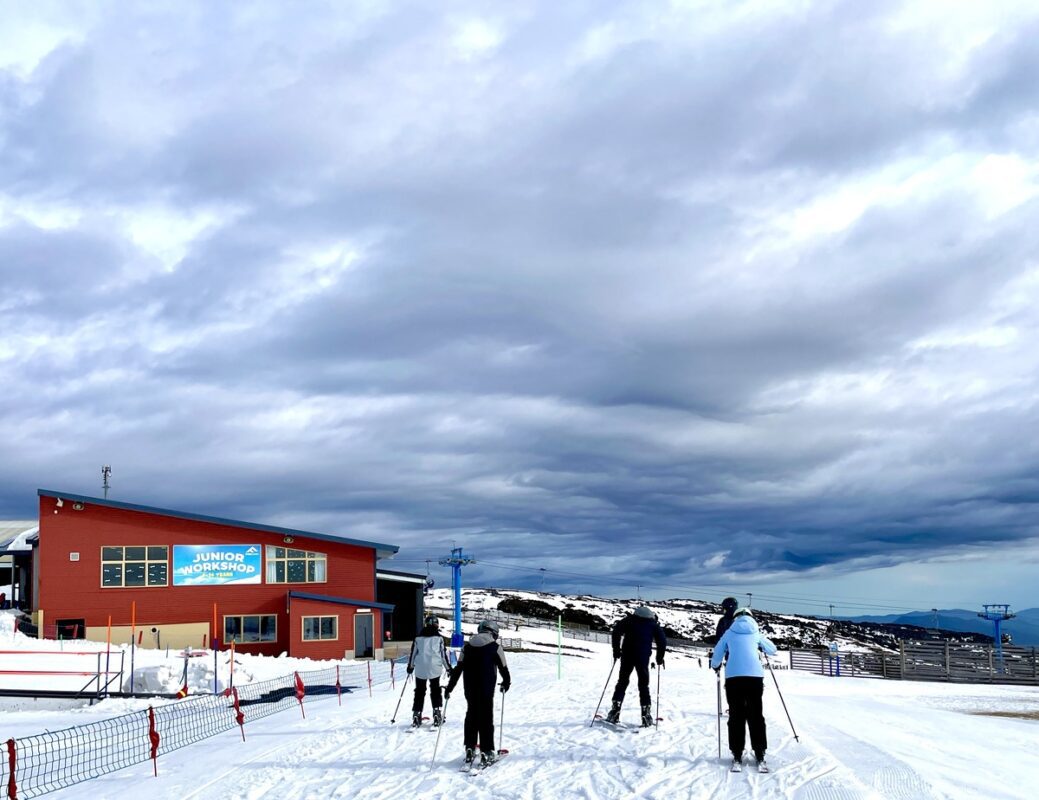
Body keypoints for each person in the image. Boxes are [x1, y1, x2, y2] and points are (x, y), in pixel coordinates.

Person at [710, 608, 778, 772]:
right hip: (755, 677)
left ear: (735, 618)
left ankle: (737, 752)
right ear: (750, 617)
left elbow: (717, 654)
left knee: (736, 714)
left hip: (734, 678)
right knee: (756, 714)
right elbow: (772, 649)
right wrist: (760, 647)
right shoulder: (756, 632)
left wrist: (715, 666)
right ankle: (760, 751)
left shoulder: (729, 632)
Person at [445, 618, 511, 767]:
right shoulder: (495, 647)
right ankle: (486, 751)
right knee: (486, 718)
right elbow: (503, 668)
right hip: (486, 689)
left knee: (471, 715)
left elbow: (458, 670)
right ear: (493, 632)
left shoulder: (467, 648)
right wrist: (506, 682)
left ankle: (469, 747)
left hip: (470, 689)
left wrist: (449, 688)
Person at [605, 606, 666, 727]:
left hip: (627, 655)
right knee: (643, 685)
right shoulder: (653, 624)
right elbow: (662, 641)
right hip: (643, 658)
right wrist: (659, 658)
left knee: (622, 681)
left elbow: (616, 632)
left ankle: (615, 711)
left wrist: (616, 650)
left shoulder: (629, 620)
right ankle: (646, 714)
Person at [406, 615, 452, 727]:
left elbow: (413, 654)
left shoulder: (418, 638)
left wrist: (410, 667)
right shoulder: (439, 639)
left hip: (420, 668)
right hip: (434, 668)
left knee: (419, 691)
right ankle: (436, 712)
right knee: (435, 690)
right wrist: (448, 668)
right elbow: (442, 656)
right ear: (436, 625)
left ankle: (417, 714)